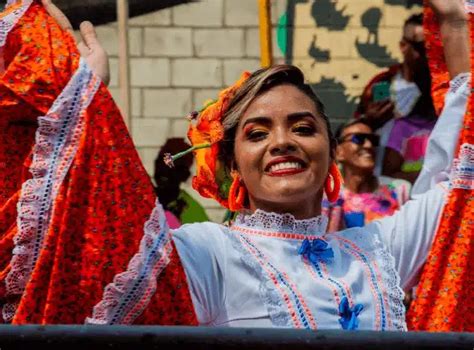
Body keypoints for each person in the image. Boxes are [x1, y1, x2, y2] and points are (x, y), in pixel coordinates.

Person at [1, 0, 470, 330]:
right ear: (232, 165)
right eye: (257, 133)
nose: (282, 143)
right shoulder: (209, 253)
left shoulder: (375, 249)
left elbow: (463, 188)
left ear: (329, 149)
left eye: (303, 128)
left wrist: (454, 21)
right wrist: (86, 111)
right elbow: (96, 242)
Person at [356, 13, 437, 184]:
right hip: (382, 181)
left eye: (433, 47)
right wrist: (369, 121)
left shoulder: (440, 88)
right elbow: (355, 132)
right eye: (421, 47)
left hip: (425, 182)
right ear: (403, 46)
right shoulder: (383, 84)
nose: (427, 54)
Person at [322, 119, 411, 232]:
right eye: (358, 139)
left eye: (373, 140)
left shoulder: (399, 191)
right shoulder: (326, 197)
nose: (369, 145)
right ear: (338, 152)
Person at [154, 138, 209, 228]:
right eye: (161, 162)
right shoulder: (142, 196)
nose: (164, 170)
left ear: (184, 174)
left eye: (173, 166)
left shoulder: (193, 212)